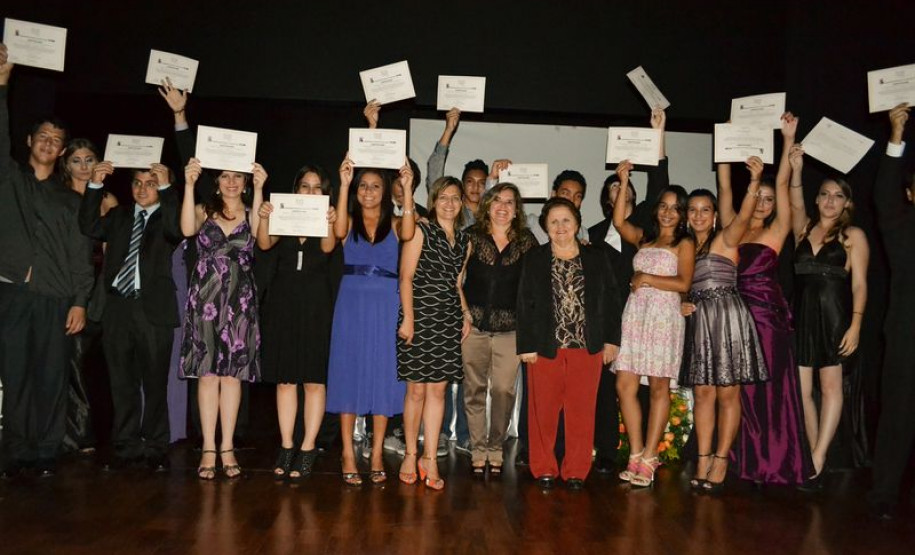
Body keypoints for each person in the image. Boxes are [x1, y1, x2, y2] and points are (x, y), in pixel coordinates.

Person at [0, 45, 95, 478]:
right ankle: (18, 449)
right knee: (15, 372)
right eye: (42, 137)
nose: (48, 143)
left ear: (60, 152)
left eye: (56, 141)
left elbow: (80, 255)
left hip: (55, 296)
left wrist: (79, 300)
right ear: (29, 142)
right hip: (13, 291)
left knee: (51, 375)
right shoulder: (10, 180)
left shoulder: (70, 200)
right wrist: (3, 82)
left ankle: (46, 449)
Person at [718, 113, 813, 485]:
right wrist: (727, 140)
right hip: (733, 317)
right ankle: (740, 461)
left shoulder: (777, 230)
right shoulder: (734, 225)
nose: (762, 202)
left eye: (769, 199)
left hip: (767, 320)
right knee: (738, 392)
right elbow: (724, 186)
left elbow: (785, 181)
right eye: (758, 195)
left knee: (767, 391)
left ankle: (771, 464)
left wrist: (787, 139)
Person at [78, 162, 182, 472]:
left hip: (153, 311)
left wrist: (167, 187)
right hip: (118, 308)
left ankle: (156, 446)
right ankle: (125, 446)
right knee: (121, 382)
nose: (142, 189)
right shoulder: (119, 216)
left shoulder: (168, 217)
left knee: (154, 383)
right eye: (137, 182)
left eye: (151, 183)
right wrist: (94, 185)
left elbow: (177, 230)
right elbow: (88, 226)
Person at [517, 198, 622, 489]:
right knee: (543, 412)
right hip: (544, 347)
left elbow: (611, 300)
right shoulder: (535, 258)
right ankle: (544, 468)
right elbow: (524, 302)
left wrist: (612, 340)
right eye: (553, 221)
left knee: (581, 411)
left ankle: (576, 469)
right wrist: (526, 344)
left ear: (577, 223)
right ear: (545, 227)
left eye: (566, 220)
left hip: (587, 347)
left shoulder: (597, 257)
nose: (560, 226)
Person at [326, 154, 416, 486]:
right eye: (363, 185)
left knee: (382, 376)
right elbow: (336, 232)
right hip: (351, 304)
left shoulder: (397, 223)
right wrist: (344, 184)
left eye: (375, 186)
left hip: (386, 305)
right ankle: (348, 453)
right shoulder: (349, 221)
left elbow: (410, 232)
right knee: (348, 373)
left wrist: (407, 188)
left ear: (385, 191)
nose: (368, 191)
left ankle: (376, 453)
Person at [680, 158, 768, 493]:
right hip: (700, 320)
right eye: (693, 210)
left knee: (728, 393)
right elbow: (680, 284)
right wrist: (681, 301)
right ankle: (703, 458)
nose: (699, 215)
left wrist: (755, 180)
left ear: (715, 215)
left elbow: (744, 214)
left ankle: (721, 459)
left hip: (728, 317)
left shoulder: (727, 237)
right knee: (703, 393)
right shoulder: (685, 247)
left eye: (705, 210)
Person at [588, 108, 668, 473]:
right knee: (607, 387)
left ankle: (648, 450)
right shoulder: (592, 233)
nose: (620, 189)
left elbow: (660, 182)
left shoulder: (645, 228)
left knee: (645, 385)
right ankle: (607, 451)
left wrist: (658, 135)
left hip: (643, 314)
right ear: (607, 199)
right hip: (607, 318)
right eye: (613, 187)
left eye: (625, 185)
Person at [787, 143, 869, 489]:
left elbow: (860, 284)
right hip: (803, 317)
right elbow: (794, 201)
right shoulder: (803, 229)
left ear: (847, 203)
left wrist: (856, 324)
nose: (830, 201)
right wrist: (796, 168)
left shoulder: (853, 236)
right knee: (803, 390)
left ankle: (819, 457)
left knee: (831, 387)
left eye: (838, 196)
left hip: (836, 318)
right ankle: (813, 453)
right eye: (824, 194)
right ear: (817, 199)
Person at [179, 157, 265, 480]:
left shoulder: (254, 211)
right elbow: (186, 229)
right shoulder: (203, 210)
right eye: (225, 176)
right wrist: (189, 184)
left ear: (245, 182)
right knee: (207, 375)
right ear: (216, 182)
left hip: (240, 300)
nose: (231, 182)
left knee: (232, 376)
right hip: (206, 299)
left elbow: (262, 238)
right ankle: (208, 447)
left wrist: (260, 189)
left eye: (237, 177)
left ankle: (227, 446)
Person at [611, 160, 694, 488]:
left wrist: (646, 277)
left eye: (675, 208)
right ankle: (635, 452)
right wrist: (624, 180)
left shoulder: (684, 243)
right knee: (625, 385)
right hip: (636, 315)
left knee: (659, 387)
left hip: (664, 318)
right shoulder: (644, 238)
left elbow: (684, 281)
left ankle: (649, 457)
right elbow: (619, 222)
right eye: (663, 206)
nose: (668, 212)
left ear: (683, 214)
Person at [256, 165, 337, 480]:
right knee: (286, 379)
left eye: (317, 187)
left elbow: (328, 248)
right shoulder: (284, 213)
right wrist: (265, 217)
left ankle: (308, 447)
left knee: (314, 379)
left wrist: (329, 222)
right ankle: (287, 445)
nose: (311, 192)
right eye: (305, 186)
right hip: (284, 303)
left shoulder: (328, 217)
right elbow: (264, 244)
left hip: (316, 305)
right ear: (296, 189)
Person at [397, 176, 469, 490]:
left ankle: (430, 458)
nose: (449, 203)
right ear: (434, 201)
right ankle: (410, 454)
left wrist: (466, 313)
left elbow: (457, 283)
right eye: (443, 197)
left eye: (455, 197)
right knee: (416, 391)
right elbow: (405, 276)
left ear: (462, 203)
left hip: (448, 320)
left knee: (438, 392)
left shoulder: (465, 240)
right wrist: (408, 319)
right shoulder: (421, 230)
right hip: (419, 317)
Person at [460, 183, 538, 475]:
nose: (503, 207)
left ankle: (496, 445)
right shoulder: (471, 236)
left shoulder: (526, 241)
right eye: (497, 201)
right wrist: (464, 314)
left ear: (517, 210)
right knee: (474, 389)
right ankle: (478, 447)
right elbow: (456, 280)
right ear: (487, 205)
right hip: (474, 326)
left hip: (511, 329)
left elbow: (534, 286)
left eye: (509, 202)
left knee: (504, 389)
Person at [58, 138, 118, 455]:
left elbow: (114, 249)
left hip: (102, 289)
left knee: (99, 364)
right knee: (71, 362)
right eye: (76, 160)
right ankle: (77, 434)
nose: (83, 166)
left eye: (89, 159)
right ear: (65, 165)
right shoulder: (58, 197)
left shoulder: (107, 200)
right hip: (66, 286)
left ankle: (102, 431)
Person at [868, 103, 914, 520]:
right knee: (897, 415)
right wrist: (896, 137)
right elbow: (884, 195)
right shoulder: (903, 228)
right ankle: (883, 494)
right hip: (907, 338)